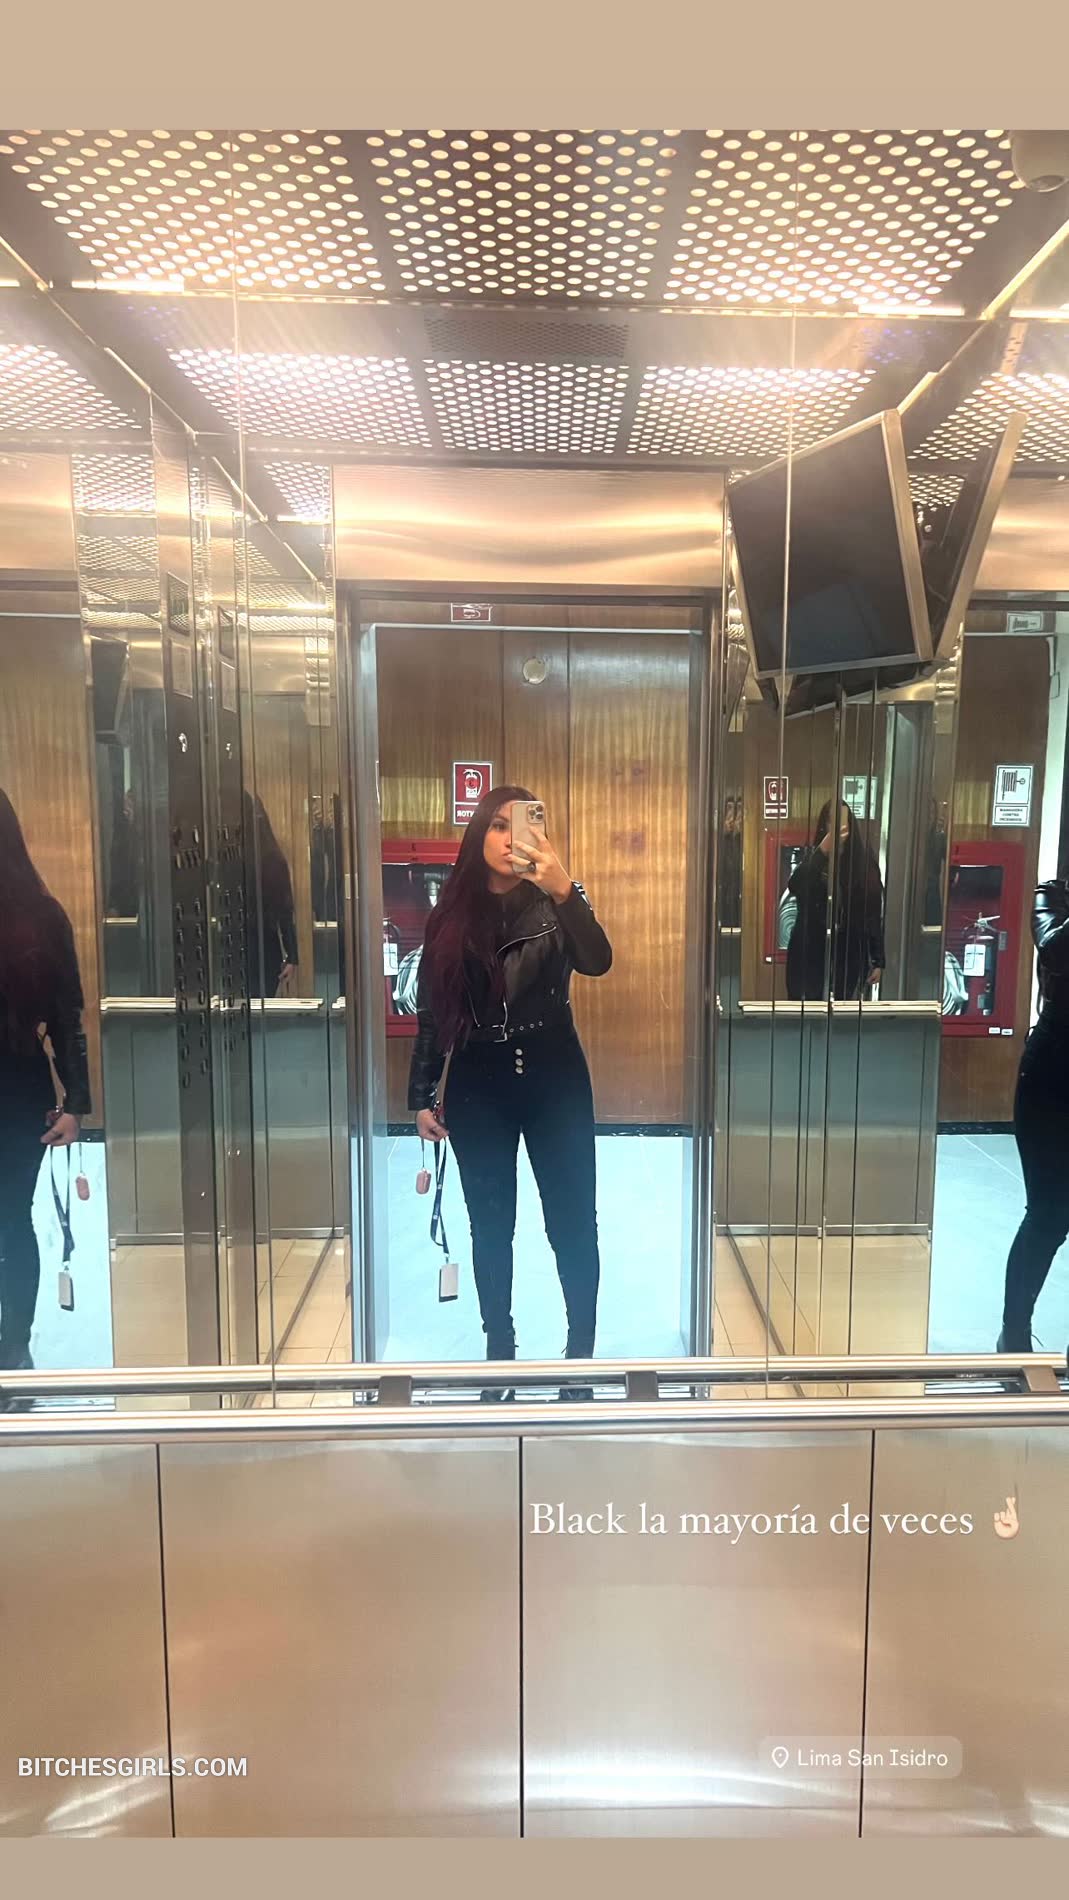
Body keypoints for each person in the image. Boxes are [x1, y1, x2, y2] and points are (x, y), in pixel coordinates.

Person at [408, 785, 612, 1401]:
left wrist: (563, 888)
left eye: (519, 826)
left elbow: (598, 960)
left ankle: (580, 1362)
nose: (507, 838)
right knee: (491, 1226)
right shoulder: (451, 914)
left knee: (573, 1222)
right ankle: (500, 1353)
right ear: (478, 835)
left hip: (555, 1076)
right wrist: (423, 1093)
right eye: (496, 825)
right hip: (479, 1081)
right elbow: (433, 1014)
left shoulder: (558, 900)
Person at [0, 790, 90, 1392]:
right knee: (11, 1219)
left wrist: (77, 1102)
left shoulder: (41, 917)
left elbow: (65, 1018)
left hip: (18, 1086)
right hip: (20, 1084)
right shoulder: (41, 914)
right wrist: (74, 1102)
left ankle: (12, 1349)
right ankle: (14, 1351)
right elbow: (65, 1020)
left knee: (9, 1218)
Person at [997, 870, 1069, 1354]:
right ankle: (1014, 1336)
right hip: (1052, 1075)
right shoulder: (1052, 899)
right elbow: (1055, 947)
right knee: (1049, 1214)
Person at [785, 799, 885, 1003]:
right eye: (831, 820)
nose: (837, 826)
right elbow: (795, 886)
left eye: (842, 820)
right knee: (807, 1010)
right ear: (825, 824)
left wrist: (877, 959)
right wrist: (822, 852)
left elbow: (873, 912)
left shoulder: (863, 863)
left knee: (842, 1007)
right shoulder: (812, 856)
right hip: (810, 950)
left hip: (847, 952)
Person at [244, 790, 298, 999]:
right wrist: (292, 956)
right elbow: (285, 911)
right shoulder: (272, 857)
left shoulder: (268, 859)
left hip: (254, 947)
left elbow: (284, 910)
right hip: (265, 947)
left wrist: (292, 956)